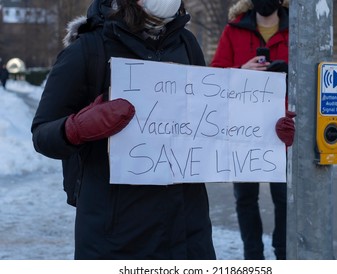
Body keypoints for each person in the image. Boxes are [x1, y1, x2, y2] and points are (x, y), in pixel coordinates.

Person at [31, 0, 216, 260]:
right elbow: (42, 134)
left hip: (187, 232)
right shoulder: (88, 49)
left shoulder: (186, 43)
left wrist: (263, 130)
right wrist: (75, 129)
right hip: (115, 237)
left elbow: (206, 120)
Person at [210, 0, 294, 260]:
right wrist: (242, 70)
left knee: (283, 199)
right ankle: (253, 258)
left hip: (283, 127)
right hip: (243, 128)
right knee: (246, 198)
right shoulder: (233, 30)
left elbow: (311, 72)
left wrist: (288, 73)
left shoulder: (298, 28)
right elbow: (215, 76)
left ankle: (283, 254)